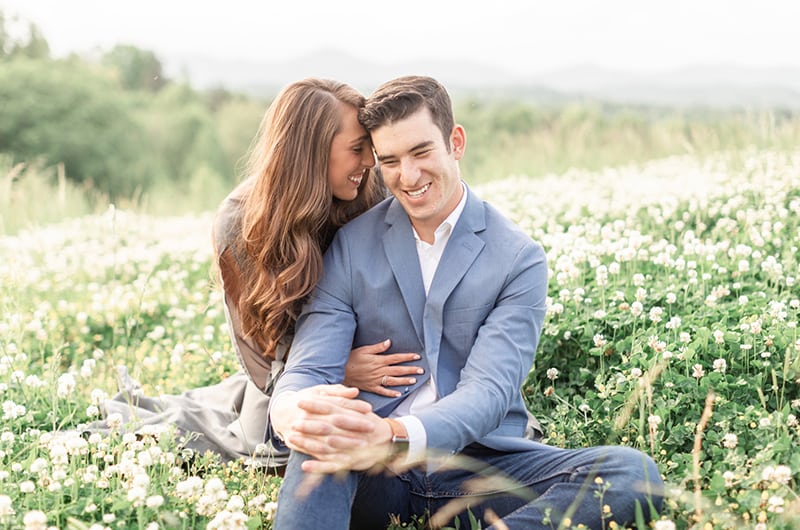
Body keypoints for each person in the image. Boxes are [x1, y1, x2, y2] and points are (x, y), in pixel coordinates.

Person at [267, 75, 664, 529]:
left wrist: (393, 434)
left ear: (455, 142)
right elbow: (311, 365)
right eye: (390, 161)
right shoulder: (351, 245)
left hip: (479, 467)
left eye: (421, 152)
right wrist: (291, 409)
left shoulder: (517, 257)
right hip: (373, 472)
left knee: (632, 475)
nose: (408, 176)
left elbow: (489, 392)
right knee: (326, 431)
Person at [92, 78, 425, 468]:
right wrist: (339, 367)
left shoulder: (371, 195)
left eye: (368, 148)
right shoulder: (240, 224)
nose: (369, 162)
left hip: (380, 368)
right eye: (356, 149)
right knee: (281, 452)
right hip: (287, 376)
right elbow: (261, 350)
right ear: (312, 152)